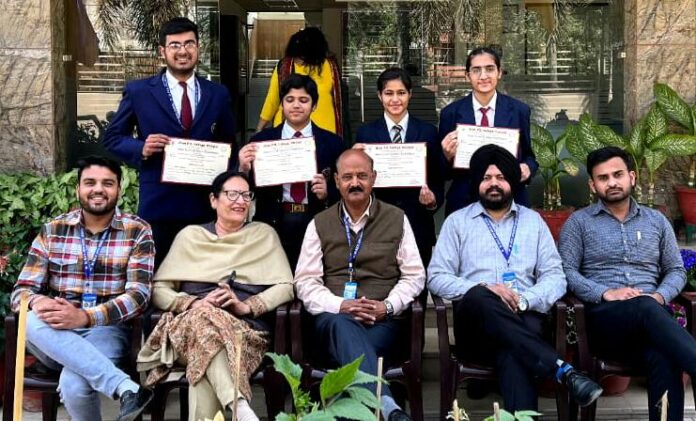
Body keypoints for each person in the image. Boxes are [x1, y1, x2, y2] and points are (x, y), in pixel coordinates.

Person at [427, 144, 602, 413]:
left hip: (524, 317)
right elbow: (436, 277)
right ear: (477, 183)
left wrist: (523, 300)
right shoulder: (457, 222)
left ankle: (552, 382)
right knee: (480, 296)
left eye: (501, 178)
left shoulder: (533, 221)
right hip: (476, 328)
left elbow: (555, 275)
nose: (493, 184)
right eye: (486, 178)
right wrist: (486, 289)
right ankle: (564, 371)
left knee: (513, 351)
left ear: (511, 181)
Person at [137, 170, 294, 421]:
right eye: (232, 194)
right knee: (204, 318)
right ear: (213, 200)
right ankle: (239, 406)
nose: (240, 201)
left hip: (245, 333)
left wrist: (246, 306)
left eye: (246, 195)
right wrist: (194, 302)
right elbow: (158, 289)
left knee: (205, 355)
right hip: (185, 331)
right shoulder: (191, 236)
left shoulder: (263, 235)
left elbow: (286, 286)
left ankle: (239, 409)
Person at [11, 156, 155, 421]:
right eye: (90, 182)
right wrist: (37, 302)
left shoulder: (137, 231)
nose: (98, 189)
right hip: (55, 328)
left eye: (107, 183)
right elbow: (22, 290)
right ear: (78, 189)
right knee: (28, 318)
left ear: (119, 190)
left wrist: (87, 316)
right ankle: (126, 388)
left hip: (107, 329)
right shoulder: (54, 229)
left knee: (74, 385)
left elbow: (139, 296)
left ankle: (123, 387)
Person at [559, 146, 696, 421]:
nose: (611, 182)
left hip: (652, 320)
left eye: (618, 174)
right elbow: (566, 273)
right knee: (645, 309)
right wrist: (606, 292)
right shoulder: (579, 223)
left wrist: (660, 296)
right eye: (603, 177)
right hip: (605, 322)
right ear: (592, 184)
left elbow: (676, 270)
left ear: (632, 177)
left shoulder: (657, 221)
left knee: (663, 351)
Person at [294, 149, 425, 421]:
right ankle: (387, 405)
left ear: (374, 178)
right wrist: (340, 305)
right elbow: (305, 281)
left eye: (362, 176)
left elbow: (414, 275)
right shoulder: (319, 223)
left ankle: (354, 410)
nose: (355, 183)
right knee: (343, 325)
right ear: (337, 182)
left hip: (383, 322)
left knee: (353, 358)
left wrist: (387, 306)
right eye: (348, 177)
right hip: (332, 321)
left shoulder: (396, 218)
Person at [103, 17, 237, 266]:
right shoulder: (139, 91)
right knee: (158, 277)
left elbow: (229, 145)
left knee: (202, 276)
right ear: (162, 52)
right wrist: (140, 147)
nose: (183, 51)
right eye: (175, 45)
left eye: (189, 43)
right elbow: (112, 138)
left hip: (204, 205)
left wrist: (229, 188)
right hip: (159, 205)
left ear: (198, 48)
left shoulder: (217, 94)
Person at [239, 74, 345, 268]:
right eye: (290, 100)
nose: (296, 105)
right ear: (281, 104)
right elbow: (246, 191)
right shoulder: (261, 141)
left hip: (316, 221)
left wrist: (328, 192)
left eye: (303, 100)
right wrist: (243, 169)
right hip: (273, 221)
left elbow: (346, 189)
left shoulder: (333, 143)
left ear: (313, 106)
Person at [354, 67, 445, 265]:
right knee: (380, 286)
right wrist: (353, 158)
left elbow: (437, 179)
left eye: (401, 93)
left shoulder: (428, 133)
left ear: (410, 94)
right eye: (389, 93)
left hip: (418, 223)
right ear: (380, 96)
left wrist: (431, 201)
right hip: (377, 225)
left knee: (418, 289)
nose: (395, 99)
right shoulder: (366, 135)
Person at [438, 47, 537, 215]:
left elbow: (529, 156)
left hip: (510, 199)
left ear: (499, 72)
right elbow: (442, 171)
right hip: (465, 202)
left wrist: (527, 168)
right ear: (467, 76)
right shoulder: (451, 113)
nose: (483, 76)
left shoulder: (519, 110)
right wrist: (446, 156)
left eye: (489, 69)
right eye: (476, 70)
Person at [256, 27, 344, 135]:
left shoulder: (330, 67)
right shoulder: (285, 66)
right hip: (295, 133)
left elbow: (272, 101)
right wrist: (259, 130)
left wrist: (260, 128)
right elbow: (272, 100)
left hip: (318, 134)